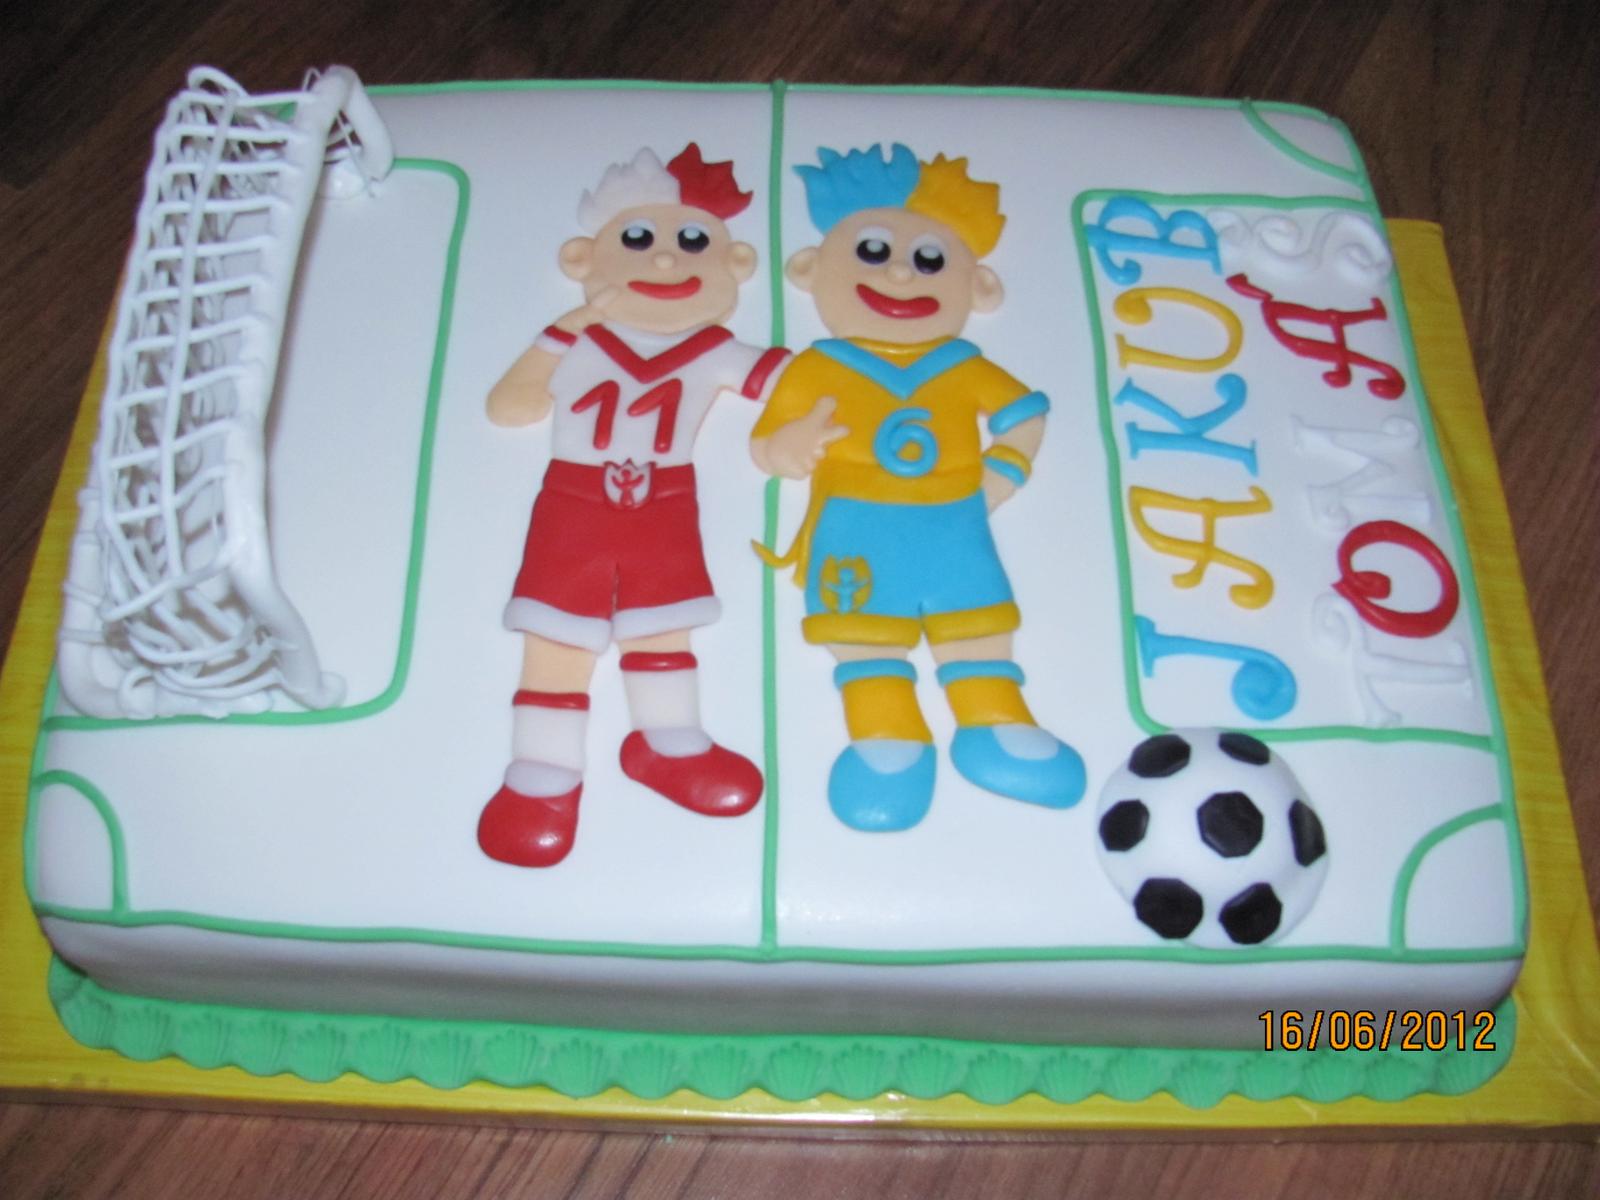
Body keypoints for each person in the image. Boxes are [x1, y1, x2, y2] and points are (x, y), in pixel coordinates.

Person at [752, 144, 1084, 832]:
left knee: (977, 624)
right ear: (810, 269)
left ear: (979, 286)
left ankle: (996, 723)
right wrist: (790, 446)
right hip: (854, 526)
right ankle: (887, 737)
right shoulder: (818, 367)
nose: (900, 272)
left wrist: (1000, 476)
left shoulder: (962, 365)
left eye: (930, 260)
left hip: (954, 523)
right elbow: (766, 443)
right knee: (865, 640)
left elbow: (1024, 416)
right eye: (872, 252)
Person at [483, 144, 786, 867]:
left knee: (662, 625)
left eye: (693, 242)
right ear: (584, 258)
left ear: (735, 263)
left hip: (664, 504)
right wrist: (563, 327)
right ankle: (540, 775)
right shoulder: (575, 343)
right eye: (639, 240)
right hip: (574, 502)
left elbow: (801, 386)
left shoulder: (713, 349)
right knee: (558, 636)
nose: (666, 260)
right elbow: (509, 406)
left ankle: (669, 744)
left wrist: (793, 433)